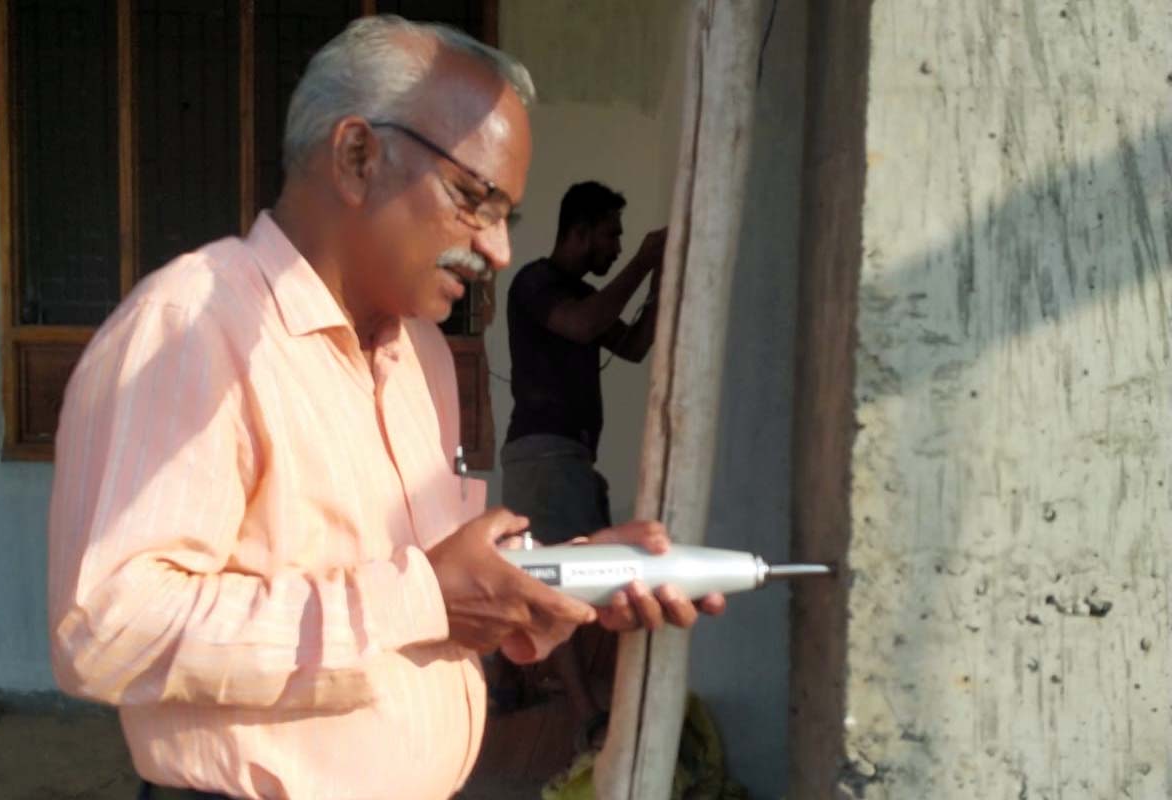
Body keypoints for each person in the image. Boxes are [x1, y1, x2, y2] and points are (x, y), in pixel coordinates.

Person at [46, 17, 722, 800]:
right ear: (358, 157)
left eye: (508, 217)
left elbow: (424, 603)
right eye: (474, 199)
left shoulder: (421, 355)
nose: (499, 250)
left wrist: (559, 583)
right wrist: (422, 596)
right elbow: (107, 629)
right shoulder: (193, 328)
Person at [500, 181, 666, 746]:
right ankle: (588, 717)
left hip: (564, 454)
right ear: (579, 231)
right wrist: (643, 260)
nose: (617, 246)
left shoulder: (580, 292)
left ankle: (510, 682)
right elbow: (584, 325)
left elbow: (634, 345)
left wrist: (660, 278)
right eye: (611, 235)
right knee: (564, 580)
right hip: (545, 453)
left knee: (560, 575)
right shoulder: (535, 283)